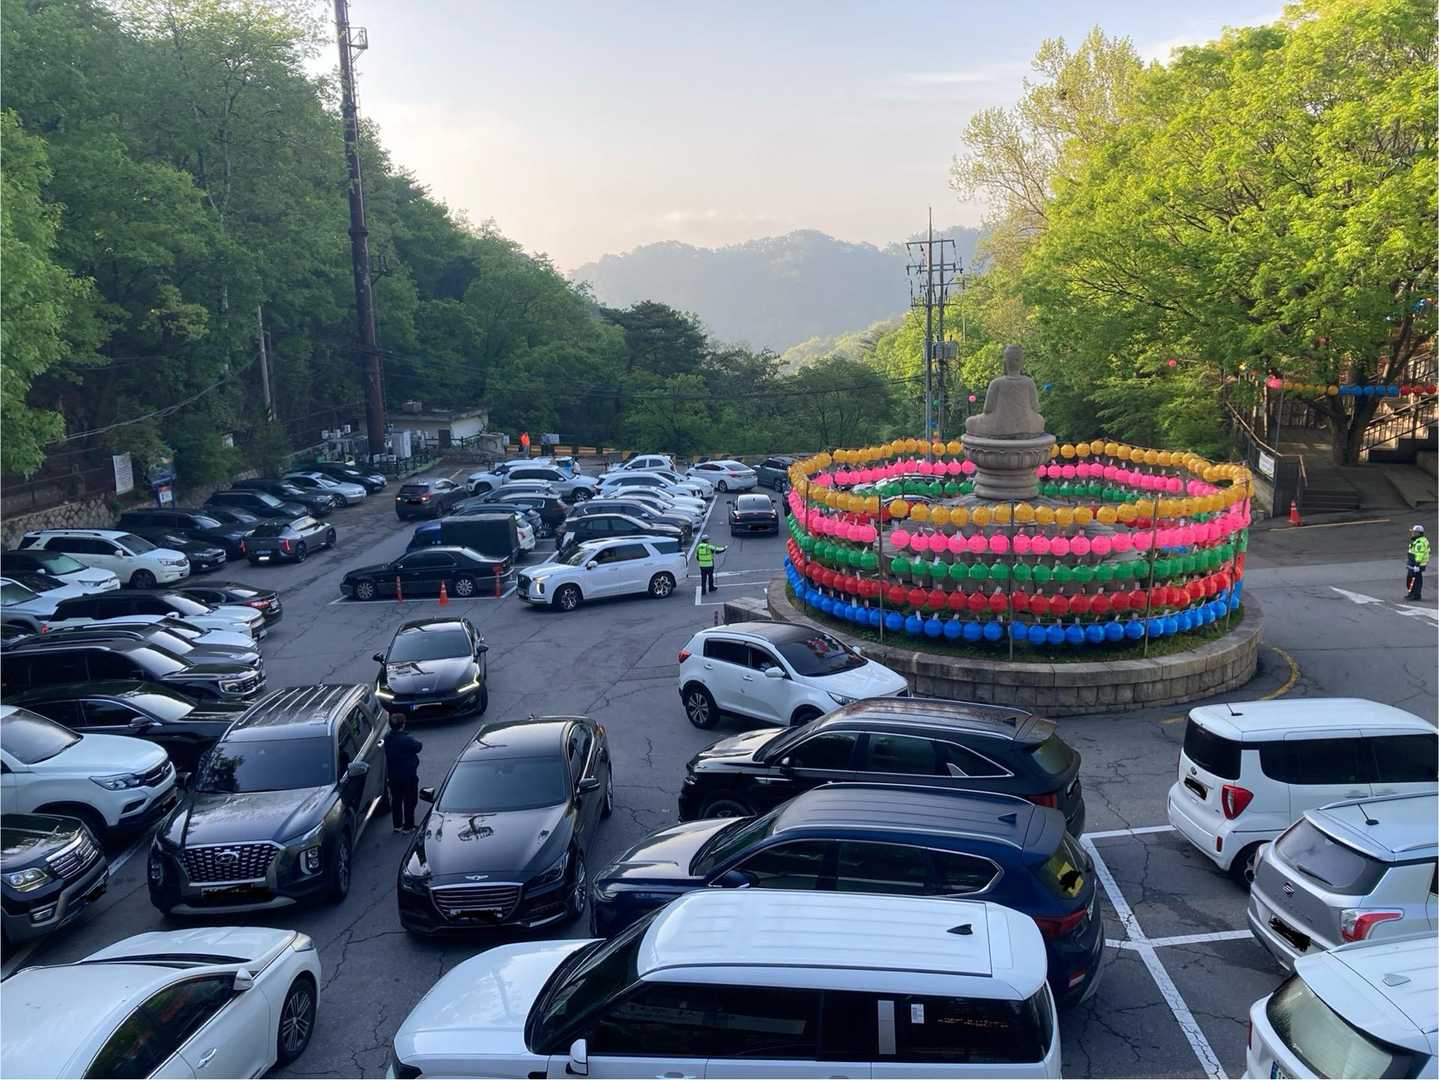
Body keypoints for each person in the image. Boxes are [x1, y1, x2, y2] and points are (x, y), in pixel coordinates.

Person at [384, 714, 424, 832]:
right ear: (402, 725)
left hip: (393, 775)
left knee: (396, 800)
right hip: (408, 775)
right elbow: (418, 746)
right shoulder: (407, 739)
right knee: (410, 800)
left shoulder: (388, 738)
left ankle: (397, 825)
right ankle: (409, 825)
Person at [1406, 524, 1430, 601]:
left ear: (1418, 533)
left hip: (1416, 564)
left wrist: (1417, 565)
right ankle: (1411, 593)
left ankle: (1416, 595)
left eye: (1413, 532)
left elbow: (1419, 555)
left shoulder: (1420, 542)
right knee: (1411, 578)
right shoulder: (1419, 540)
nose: (1412, 533)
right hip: (1413, 563)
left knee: (1415, 580)